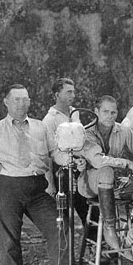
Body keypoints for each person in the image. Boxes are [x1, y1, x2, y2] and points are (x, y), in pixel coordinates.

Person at [0, 84, 68, 265]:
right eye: (16, 100)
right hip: (7, 187)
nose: (21, 104)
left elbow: (55, 152)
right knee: (9, 239)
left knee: (58, 226)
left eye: (25, 99)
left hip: (37, 187)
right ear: (6, 102)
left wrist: (69, 160)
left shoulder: (40, 127)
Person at [69, 96, 133, 250]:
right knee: (105, 171)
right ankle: (109, 225)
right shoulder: (86, 133)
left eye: (113, 112)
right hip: (90, 183)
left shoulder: (123, 131)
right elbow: (97, 161)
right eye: (105, 112)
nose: (110, 116)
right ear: (96, 112)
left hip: (118, 184)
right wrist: (124, 162)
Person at [42, 78, 91, 235]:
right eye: (69, 92)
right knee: (63, 215)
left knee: (88, 209)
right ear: (57, 94)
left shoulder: (74, 113)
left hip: (80, 168)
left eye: (74, 91)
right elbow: (51, 153)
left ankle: (95, 250)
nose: (73, 95)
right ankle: (66, 255)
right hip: (61, 172)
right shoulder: (49, 120)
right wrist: (50, 184)